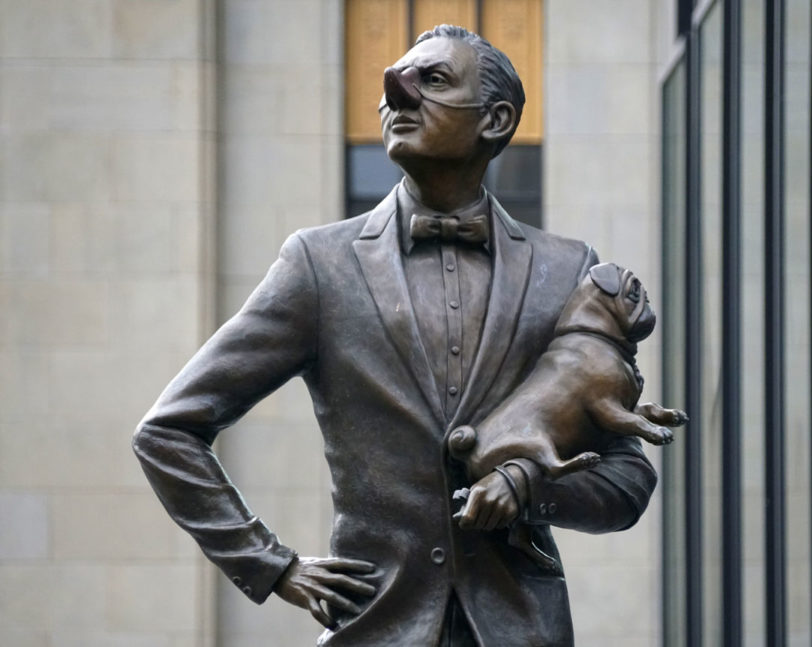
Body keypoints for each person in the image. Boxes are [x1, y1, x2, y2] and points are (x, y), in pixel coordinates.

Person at [133, 25, 657, 646]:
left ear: (496, 119)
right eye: (393, 88)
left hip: (522, 629)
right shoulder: (319, 266)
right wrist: (269, 563)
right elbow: (167, 431)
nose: (396, 97)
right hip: (373, 626)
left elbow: (627, 479)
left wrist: (528, 487)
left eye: (432, 81)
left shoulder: (567, 272)